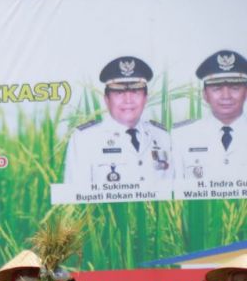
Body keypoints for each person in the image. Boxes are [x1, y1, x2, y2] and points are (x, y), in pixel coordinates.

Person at [62, 56, 172, 185]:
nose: (128, 100)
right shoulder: (84, 139)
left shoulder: (162, 136)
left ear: (145, 98)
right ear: (106, 99)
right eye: (119, 92)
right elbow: (75, 198)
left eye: (135, 91)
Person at [173, 50, 247, 180]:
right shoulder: (182, 137)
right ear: (205, 94)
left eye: (235, 87)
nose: (226, 96)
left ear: (246, 92)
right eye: (217, 88)